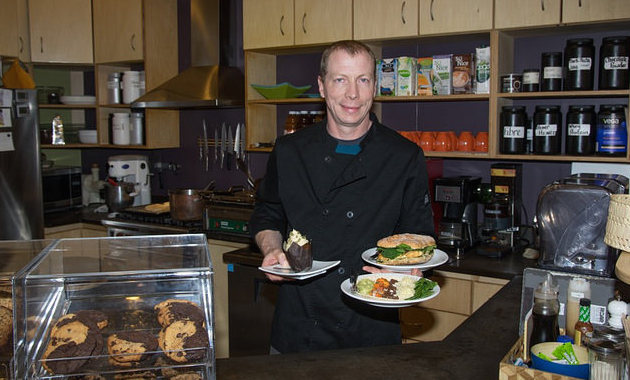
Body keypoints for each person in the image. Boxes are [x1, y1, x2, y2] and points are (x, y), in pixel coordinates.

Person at [250, 40, 434, 354]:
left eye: (363, 80)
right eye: (340, 80)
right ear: (321, 87)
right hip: (299, 326)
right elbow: (268, 214)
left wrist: (403, 271)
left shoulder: (404, 156)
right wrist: (272, 250)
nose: (353, 94)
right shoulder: (289, 151)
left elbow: (419, 238)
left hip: (372, 326)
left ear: (374, 87)